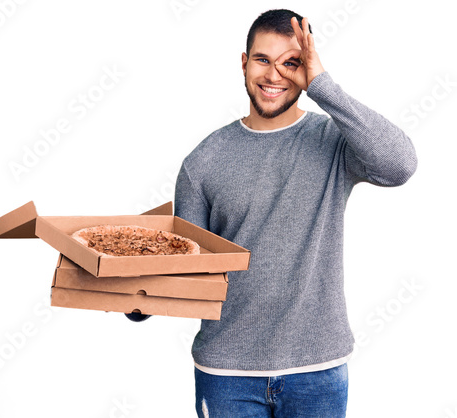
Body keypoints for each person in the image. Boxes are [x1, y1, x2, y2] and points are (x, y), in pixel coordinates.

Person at [174, 9, 417, 418]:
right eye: (262, 60)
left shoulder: (334, 142)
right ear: (243, 62)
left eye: (290, 63)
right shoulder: (203, 161)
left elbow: (400, 164)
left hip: (317, 370)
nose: (273, 76)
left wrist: (322, 85)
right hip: (226, 372)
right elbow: (188, 271)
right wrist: (137, 293)